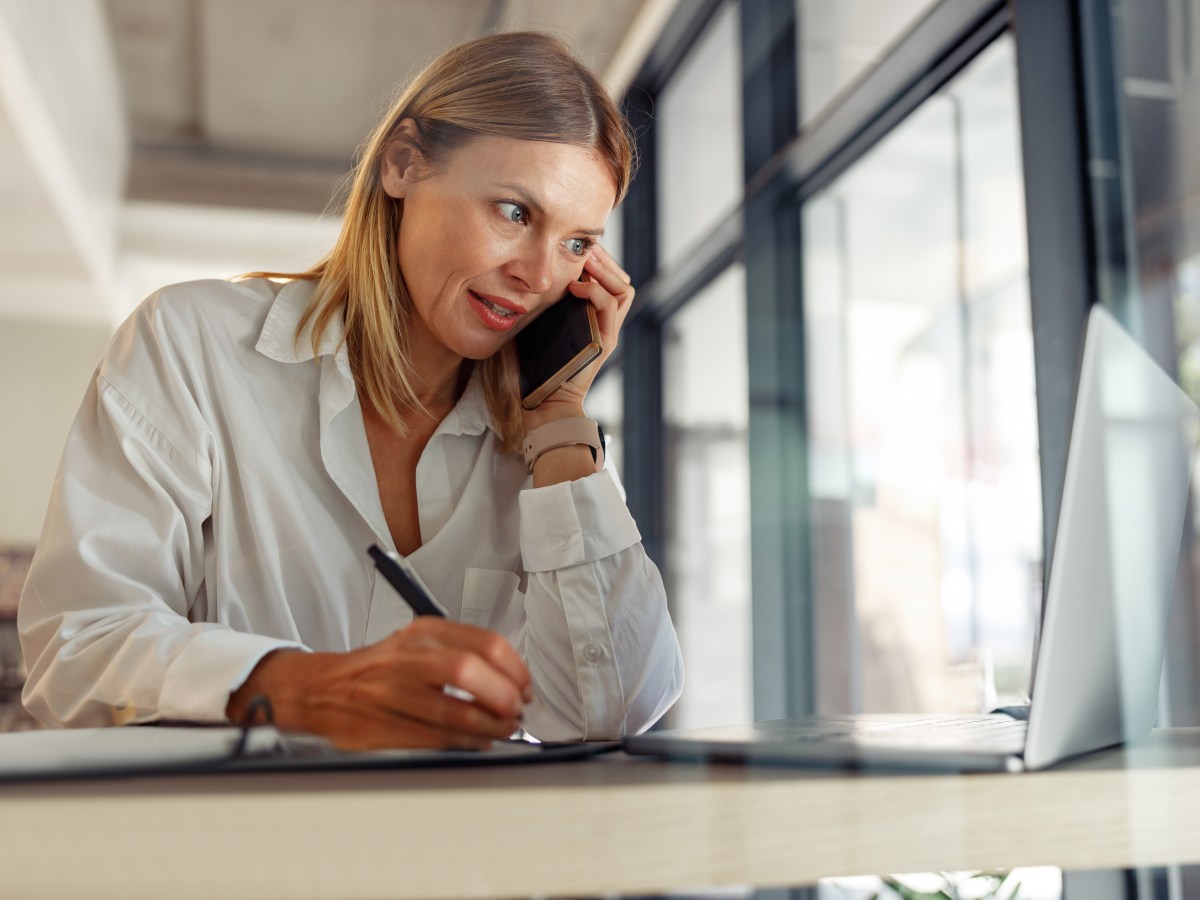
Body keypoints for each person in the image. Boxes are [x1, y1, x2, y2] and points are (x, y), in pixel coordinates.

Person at [18, 31, 684, 750]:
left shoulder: (547, 438)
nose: (538, 275)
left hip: (453, 857)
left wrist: (558, 421)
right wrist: (305, 688)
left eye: (577, 243)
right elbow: (75, 654)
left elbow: (612, 708)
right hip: (233, 852)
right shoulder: (193, 346)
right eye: (515, 213)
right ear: (403, 164)